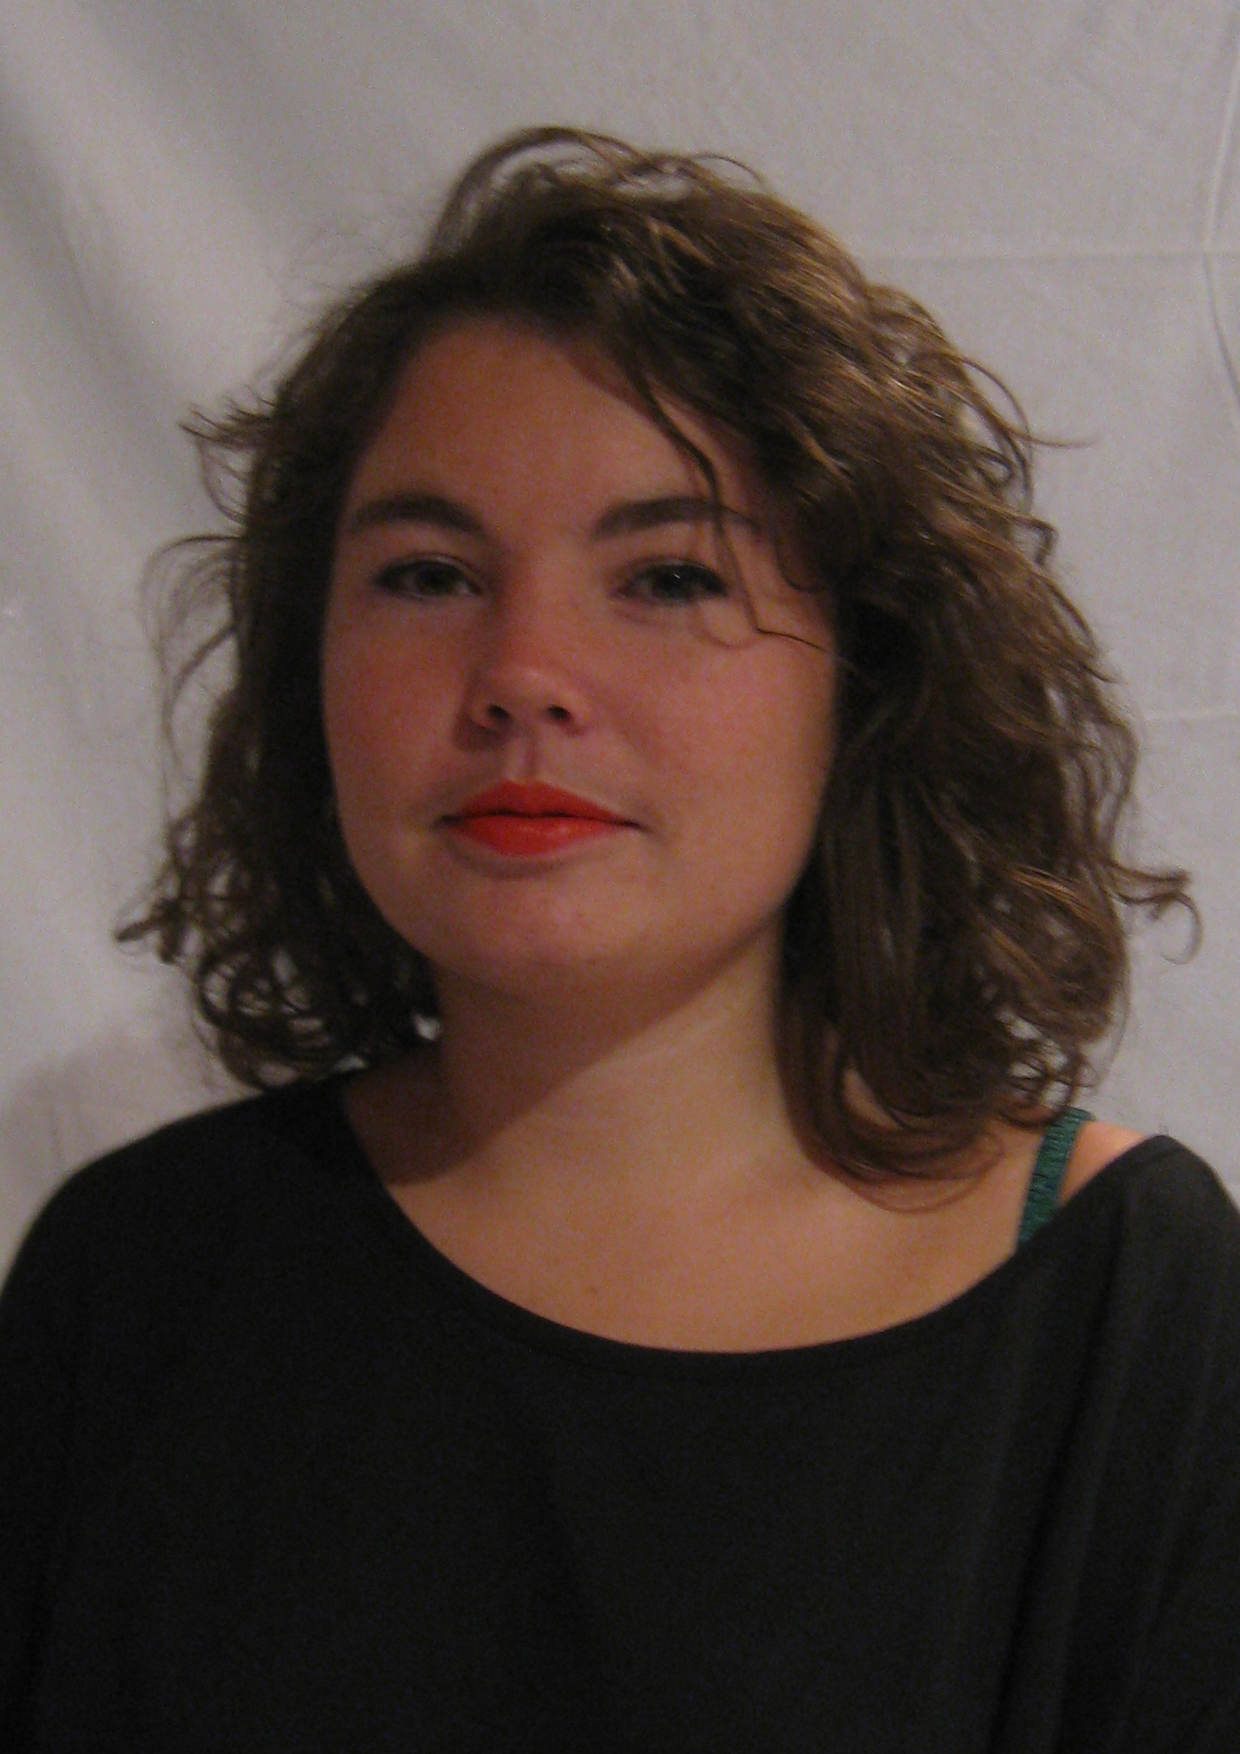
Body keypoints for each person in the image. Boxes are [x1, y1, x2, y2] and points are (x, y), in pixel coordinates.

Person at [1, 125, 1237, 1751]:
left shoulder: (1122, 1304)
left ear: (867, 677)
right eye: (429, 574)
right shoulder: (136, 1275)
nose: (523, 670)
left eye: (664, 576)